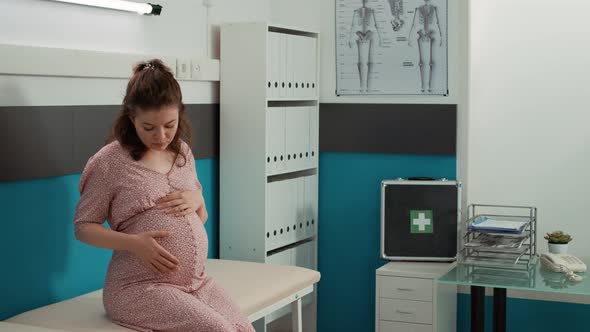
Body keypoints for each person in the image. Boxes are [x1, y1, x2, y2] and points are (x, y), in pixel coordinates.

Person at [74, 59, 254, 332]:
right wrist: (134, 243)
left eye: (170, 125)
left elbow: (199, 218)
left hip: (196, 282)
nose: (161, 136)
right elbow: (83, 228)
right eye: (149, 128)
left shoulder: (182, 152)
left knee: (243, 329)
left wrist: (198, 200)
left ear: (180, 114)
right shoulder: (109, 161)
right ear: (131, 118)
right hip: (139, 288)